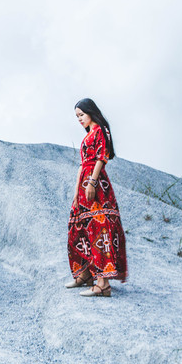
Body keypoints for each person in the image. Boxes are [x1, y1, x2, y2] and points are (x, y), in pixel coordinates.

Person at [65, 98, 128, 297]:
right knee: (78, 227)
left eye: (81, 114)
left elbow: (103, 157)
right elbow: (82, 164)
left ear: (91, 112)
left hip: (96, 183)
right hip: (84, 182)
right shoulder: (88, 135)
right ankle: (86, 274)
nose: (79, 119)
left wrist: (92, 183)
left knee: (99, 228)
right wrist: (77, 190)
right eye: (77, 116)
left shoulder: (100, 130)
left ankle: (103, 284)